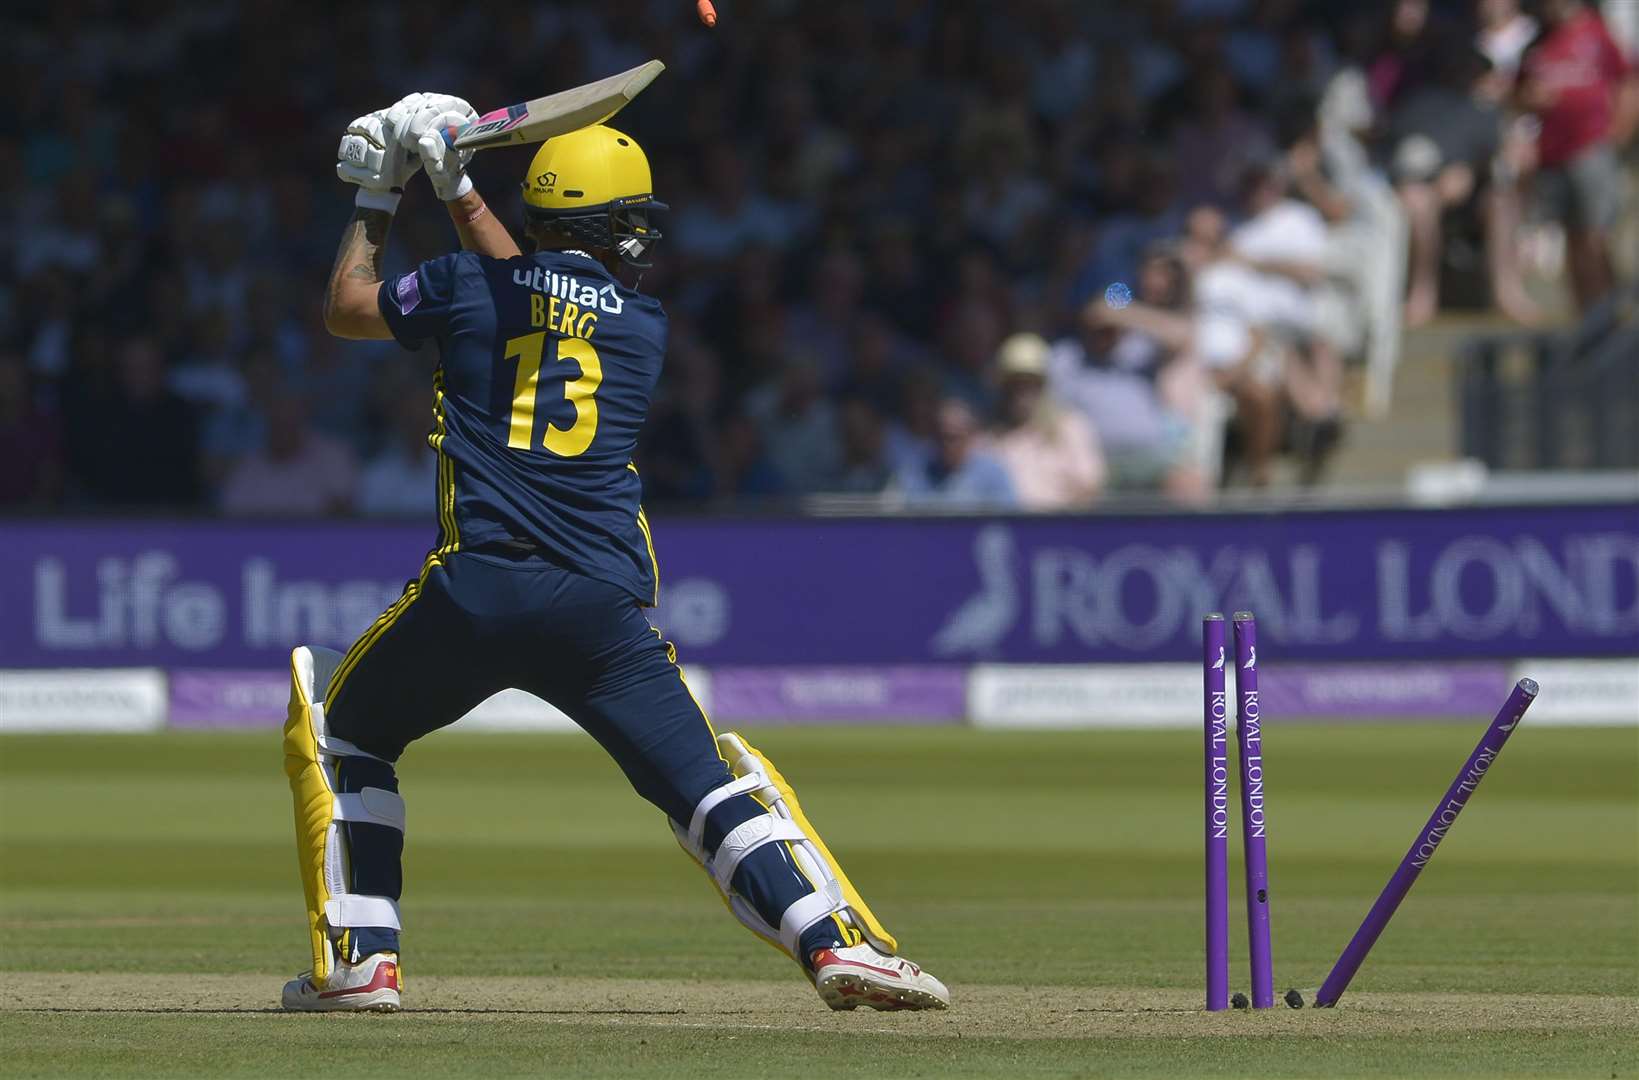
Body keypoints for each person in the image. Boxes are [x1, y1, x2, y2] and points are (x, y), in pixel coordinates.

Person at [279, 93, 947, 1014]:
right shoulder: (643, 325)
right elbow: (546, 300)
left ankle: (361, 965)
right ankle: (831, 943)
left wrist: (384, 195)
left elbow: (350, 309)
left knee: (345, 731)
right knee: (705, 789)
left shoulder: (462, 288)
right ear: (617, 230)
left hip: (477, 592)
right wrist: (457, 188)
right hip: (599, 606)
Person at [1518, 0, 1639, 312]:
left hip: (1591, 149)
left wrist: (1616, 135)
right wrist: (1529, 98)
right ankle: (1586, 320)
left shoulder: (1597, 33)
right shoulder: (1540, 41)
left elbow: (1627, 83)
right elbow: (1518, 91)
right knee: (1573, 241)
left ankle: (1608, 318)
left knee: (1596, 238)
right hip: (1552, 153)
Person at [987, 333, 1106, 510]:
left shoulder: (1070, 427)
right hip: (1008, 529)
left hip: (1061, 529)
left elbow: (1089, 488)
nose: (1023, 393)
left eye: (1032, 383)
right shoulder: (990, 436)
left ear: (1044, 385)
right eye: (1015, 384)